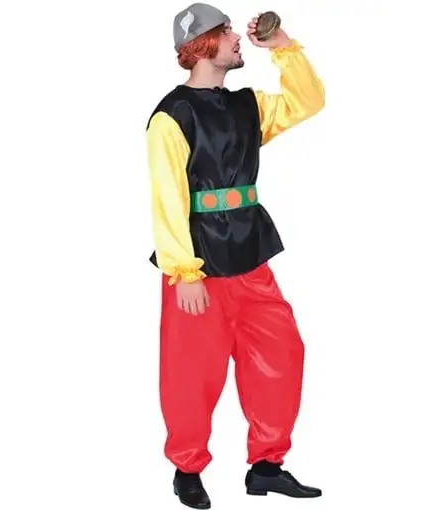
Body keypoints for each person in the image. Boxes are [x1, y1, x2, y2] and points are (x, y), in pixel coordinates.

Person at [145, 3, 325, 508]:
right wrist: (184, 271)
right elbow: (167, 197)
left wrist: (284, 48)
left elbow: (308, 101)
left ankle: (266, 465)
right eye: (226, 31)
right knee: (191, 372)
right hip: (198, 266)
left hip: (250, 254)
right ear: (203, 43)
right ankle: (187, 469)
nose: (237, 37)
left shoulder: (247, 106)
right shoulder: (172, 116)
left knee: (281, 353)